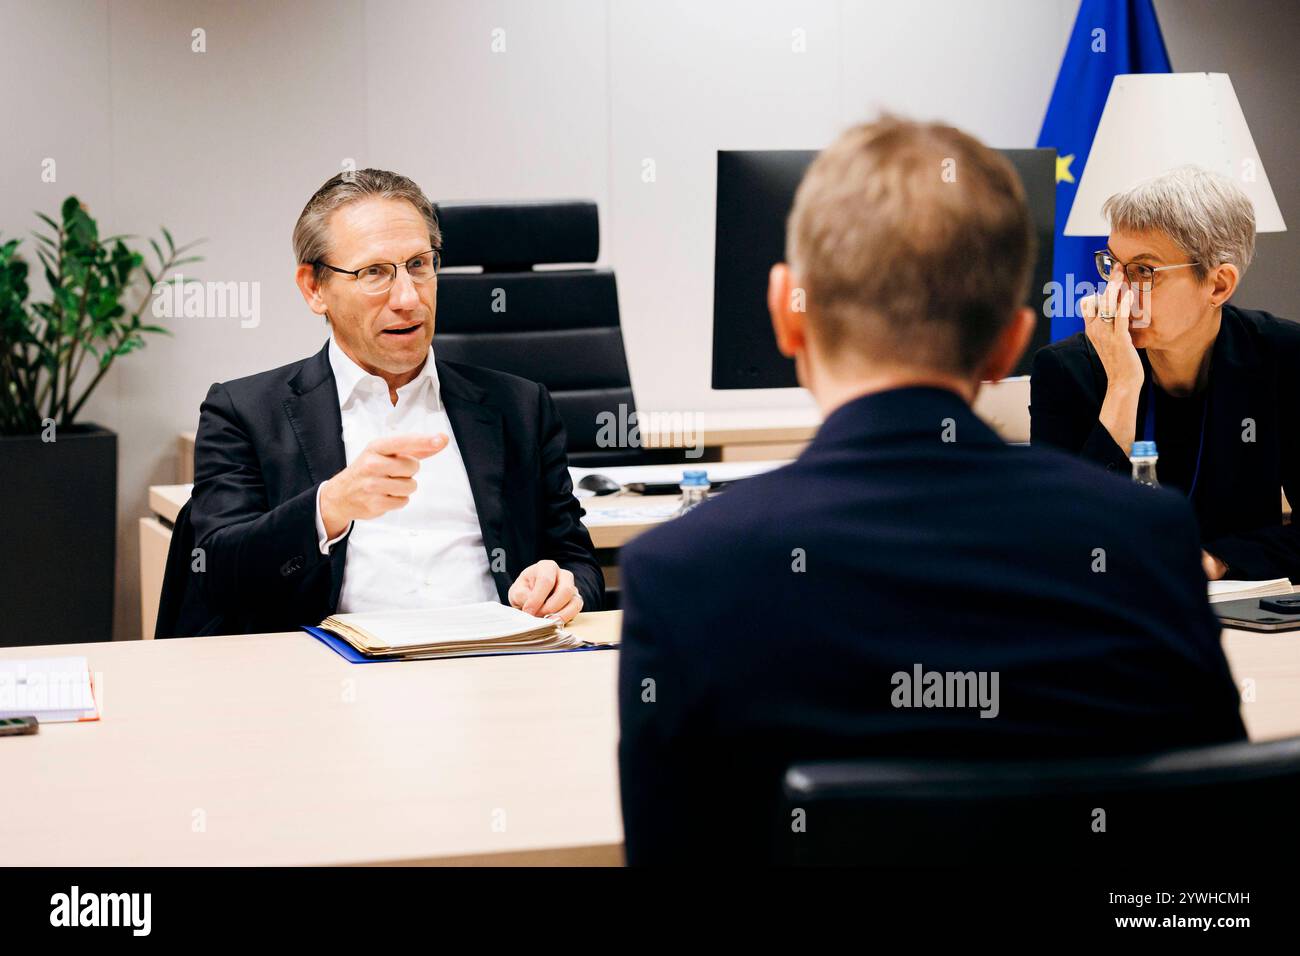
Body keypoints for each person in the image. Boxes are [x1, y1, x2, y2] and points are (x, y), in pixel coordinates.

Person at [616, 118, 1245, 865]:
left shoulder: (679, 573)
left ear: (789, 310)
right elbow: (1215, 851)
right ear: (1010, 341)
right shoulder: (1147, 541)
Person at [184, 169, 602, 636]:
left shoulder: (520, 406)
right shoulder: (244, 411)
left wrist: (565, 585)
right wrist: (329, 507)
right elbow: (216, 575)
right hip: (327, 681)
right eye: (374, 273)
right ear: (314, 288)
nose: (407, 298)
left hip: (492, 672)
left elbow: (577, 560)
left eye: (419, 265)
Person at [1031, 166, 1300, 582]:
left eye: (1142, 271)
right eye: (1112, 264)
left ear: (1218, 286)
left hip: (1242, 609)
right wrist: (1122, 385)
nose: (1115, 292)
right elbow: (1057, 539)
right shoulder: (1066, 370)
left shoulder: (1283, 356)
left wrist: (1214, 560)